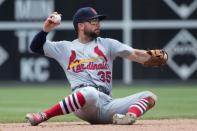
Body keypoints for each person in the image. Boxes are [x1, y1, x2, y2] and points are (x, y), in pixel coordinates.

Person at [26, 7, 160, 126]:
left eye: (98, 21)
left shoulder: (108, 44)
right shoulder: (65, 48)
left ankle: (128, 117)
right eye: (93, 21)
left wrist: (152, 57)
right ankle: (43, 115)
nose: (98, 24)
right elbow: (35, 47)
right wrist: (46, 29)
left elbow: (135, 54)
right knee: (90, 92)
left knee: (149, 96)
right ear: (81, 26)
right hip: (84, 104)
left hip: (107, 105)